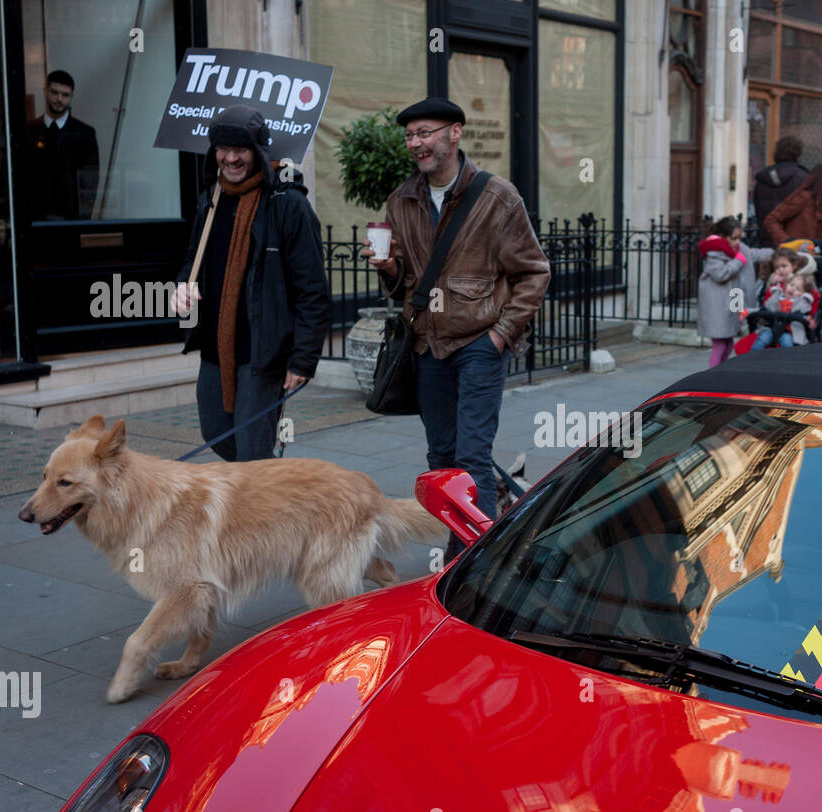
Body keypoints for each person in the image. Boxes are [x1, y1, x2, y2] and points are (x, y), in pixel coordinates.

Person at [363, 96, 549, 535]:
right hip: (428, 347)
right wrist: (390, 270)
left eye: (424, 133)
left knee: (471, 459)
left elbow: (535, 273)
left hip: (479, 345)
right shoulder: (401, 201)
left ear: (454, 132)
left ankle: (471, 559)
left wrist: (501, 336)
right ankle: (454, 544)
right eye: (409, 136)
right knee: (440, 458)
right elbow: (405, 286)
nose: (415, 143)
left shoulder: (497, 197)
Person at [171, 106, 332, 462]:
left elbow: (312, 292)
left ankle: (266, 503)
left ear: (258, 151)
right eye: (222, 149)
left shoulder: (288, 205)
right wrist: (182, 286)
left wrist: (303, 359)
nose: (230, 158)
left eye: (240, 149)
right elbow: (191, 262)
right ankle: (273, 481)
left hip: (264, 354)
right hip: (215, 348)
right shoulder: (209, 200)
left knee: (251, 457)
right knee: (215, 433)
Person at [698, 216, 774, 366]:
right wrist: (738, 261)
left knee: (728, 344)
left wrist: (780, 251)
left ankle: (720, 371)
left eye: (740, 238)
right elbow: (720, 274)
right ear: (723, 237)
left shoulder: (737, 249)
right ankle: (712, 377)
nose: (738, 242)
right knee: (719, 345)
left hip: (731, 304)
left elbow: (755, 254)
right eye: (734, 238)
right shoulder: (714, 252)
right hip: (717, 307)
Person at [26, 69, 99, 220]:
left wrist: (82, 221)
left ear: (71, 96)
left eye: (65, 95)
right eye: (54, 92)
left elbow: (89, 182)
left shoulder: (85, 134)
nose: (59, 99)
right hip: (34, 219)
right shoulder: (28, 131)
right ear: (45, 91)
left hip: (71, 219)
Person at [763, 162, 822, 246]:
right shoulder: (804, 198)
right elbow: (772, 219)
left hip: (815, 255)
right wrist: (788, 242)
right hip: (796, 254)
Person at [752, 136, 810, 230]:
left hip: (767, 235)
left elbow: (758, 206)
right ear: (798, 153)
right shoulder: (803, 178)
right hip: (794, 238)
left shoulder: (763, 178)